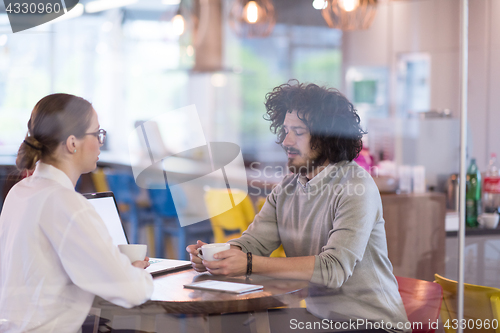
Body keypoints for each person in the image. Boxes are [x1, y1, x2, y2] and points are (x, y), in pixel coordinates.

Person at [187, 82, 410, 332]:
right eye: (284, 130)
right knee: (233, 324)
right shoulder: (288, 187)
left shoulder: (356, 186)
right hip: (320, 318)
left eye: (298, 132)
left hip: (370, 324)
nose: (286, 141)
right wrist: (217, 257)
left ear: (327, 138)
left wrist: (249, 263)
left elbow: (333, 270)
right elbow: (253, 243)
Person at [0, 94, 153, 333]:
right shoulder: (66, 203)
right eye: (97, 133)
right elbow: (132, 292)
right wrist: (134, 274)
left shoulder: (20, 192)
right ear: (73, 143)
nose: (101, 142)